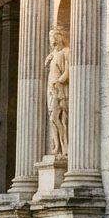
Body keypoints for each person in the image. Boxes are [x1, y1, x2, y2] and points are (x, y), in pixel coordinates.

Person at [45, 25, 69, 157]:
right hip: (51, 87)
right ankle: (57, 146)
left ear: (59, 37)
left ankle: (63, 146)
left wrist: (59, 82)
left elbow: (67, 72)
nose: (51, 39)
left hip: (58, 88)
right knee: (52, 118)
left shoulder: (66, 51)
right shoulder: (54, 54)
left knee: (57, 117)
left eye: (53, 36)